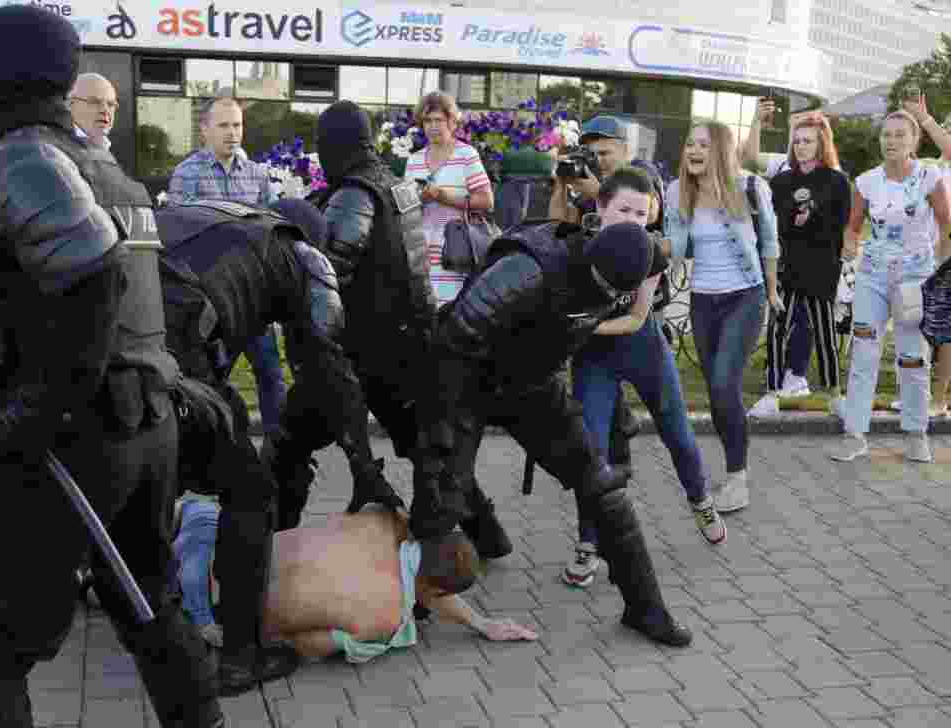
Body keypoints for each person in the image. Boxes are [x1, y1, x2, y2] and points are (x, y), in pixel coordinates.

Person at [0, 6, 246, 728]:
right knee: (151, 610)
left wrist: (31, 414)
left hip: (74, 445)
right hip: (145, 431)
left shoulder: (16, 160)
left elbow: (90, 281)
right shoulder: (107, 173)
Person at [410, 220, 693, 647]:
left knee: (603, 486)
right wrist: (442, 436)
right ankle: (407, 604)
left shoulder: (639, 259)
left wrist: (613, 429)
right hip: (466, 380)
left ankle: (646, 609)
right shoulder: (528, 269)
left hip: (532, 386)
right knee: (440, 499)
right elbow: (453, 342)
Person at [157, 199, 403, 689]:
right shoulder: (303, 254)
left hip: (100, 340)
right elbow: (327, 363)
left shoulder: (209, 218)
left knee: (144, 472)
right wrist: (364, 467)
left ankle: (126, 593)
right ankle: (241, 656)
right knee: (249, 492)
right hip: (174, 358)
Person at [276, 101, 513, 566]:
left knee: (288, 444)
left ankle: (270, 541)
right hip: (408, 343)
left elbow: (329, 271)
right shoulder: (397, 184)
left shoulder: (355, 195)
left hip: (364, 353)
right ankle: (487, 536)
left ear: (334, 146)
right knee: (427, 449)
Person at [561, 169, 725, 589]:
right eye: (623, 210)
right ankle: (588, 542)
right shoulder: (578, 249)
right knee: (592, 451)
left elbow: (635, 318)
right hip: (593, 361)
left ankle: (701, 500)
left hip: (642, 349)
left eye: (641, 211)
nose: (633, 219)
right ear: (600, 207)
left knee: (678, 434)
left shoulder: (652, 252)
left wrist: (582, 328)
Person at [173, 501, 537, 662]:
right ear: (435, 590)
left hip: (210, 529)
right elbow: (308, 645)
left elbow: (419, 573)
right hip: (205, 607)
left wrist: (480, 622)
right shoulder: (387, 619)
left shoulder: (383, 518)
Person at [662, 120, 781, 514]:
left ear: (720, 150)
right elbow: (674, 245)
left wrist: (773, 289)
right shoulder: (678, 191)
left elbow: (769, 241)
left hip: (744, 297)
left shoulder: (750, 187)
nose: (694, 151)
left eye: (703, 145)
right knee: (715, 390)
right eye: (689, 144)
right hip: (702, 299)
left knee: (725, 382)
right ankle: (733, 464)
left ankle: (737, 476)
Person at [548, 115, 667, 482]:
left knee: (650, 391)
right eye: (592, 152)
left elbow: (649, 217)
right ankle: (611, 457)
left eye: (605, 152)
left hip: (638, 299)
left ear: (624, 150)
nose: (598, 158)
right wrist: (561, 183)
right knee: (596, 382)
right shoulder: (585, 176)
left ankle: (620, 444)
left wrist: (596, 191)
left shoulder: (640, 174)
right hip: (595, 297)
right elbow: (557, 224)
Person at [831, 110, 951, 463]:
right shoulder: (867, 181)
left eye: (900, 135)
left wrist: (942, 271)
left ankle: (916, 433)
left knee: (913, 357)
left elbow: (946, 225)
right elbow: (853, 227)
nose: (892, 141)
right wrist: (850, 244)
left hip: (916, 279)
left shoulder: (930, 176)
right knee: (864, 351)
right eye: (886, 135)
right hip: (873, 278)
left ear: (914, 142)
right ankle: (854, 433)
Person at [166, 96, 286, 435]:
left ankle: (278, 457)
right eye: (223, 125)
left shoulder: (257, 175)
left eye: (237, 125)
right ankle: (219, 456)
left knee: (271, 374)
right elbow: (178, 243)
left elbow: (271, 233)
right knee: (211, 380)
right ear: (204, 130)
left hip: (254, 299)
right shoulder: (186, 175)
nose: (232, 133)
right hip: (212, 304)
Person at [748, 114, 851, 417]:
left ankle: (834, 394)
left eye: (808, 141)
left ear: (822, 144)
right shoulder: (781, 181)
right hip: (786, 267)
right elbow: (772, 227)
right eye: (797, 141)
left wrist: (813, 220)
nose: (802, 146)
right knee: (778, 331)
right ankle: (772, 393)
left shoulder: (837, 181)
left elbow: (841, 227)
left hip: (821, 267)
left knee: (825, 335)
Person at [404, 91, 495, 303]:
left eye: (439, 120)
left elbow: (487, 202)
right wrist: (419, 199)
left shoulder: (466, 155)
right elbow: (405, 209)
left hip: (457, 252)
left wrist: (443, 196)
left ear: (452, 122)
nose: (433, 126)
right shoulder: (413, 160)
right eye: (427, 120)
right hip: (422, 253)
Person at [900, 93, 951, 417]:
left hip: (947, 255)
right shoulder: (935, 169)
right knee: (920, 326)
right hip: (927, 256)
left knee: (945, 332)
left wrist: (924, 118)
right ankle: (921, 394)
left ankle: (938, 398)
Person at [68, 72, 117, 149]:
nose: (105, 110)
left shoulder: (103, 146)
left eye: (110, 104)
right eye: (95, 102)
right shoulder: (54, 147)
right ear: (70, 104)